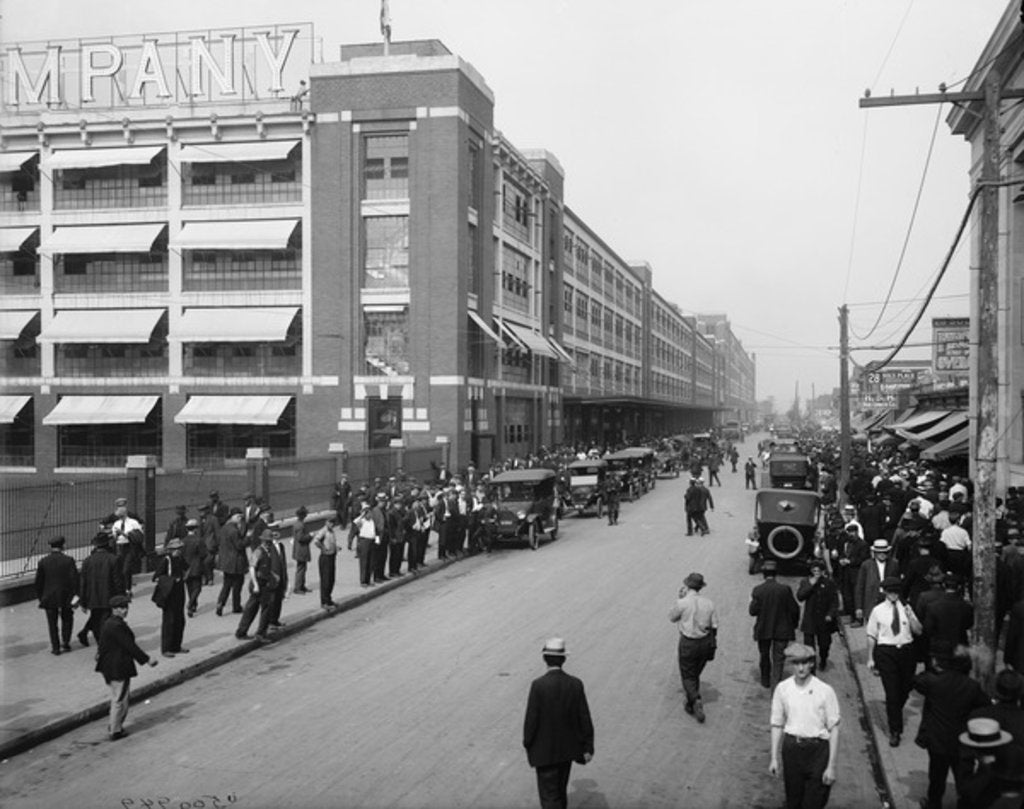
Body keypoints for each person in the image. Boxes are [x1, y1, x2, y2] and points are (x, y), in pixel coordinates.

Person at [912, 643, 991, 809]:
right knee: (963, 779)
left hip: (938, 741)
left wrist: (935, 669)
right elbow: (985, 705)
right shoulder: (971, 687)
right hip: (962, 743)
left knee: (937, 778)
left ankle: (934, 804)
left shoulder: (935, 682)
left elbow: (917, 680)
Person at [522, 638, 595, 809]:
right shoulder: (575, 684)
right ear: (564, 659)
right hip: (567, 752)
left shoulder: (538, 685)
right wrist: (588, 747)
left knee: (549, 797)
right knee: (560, 793)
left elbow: (531, 720)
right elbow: (584, 717)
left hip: (544, 753)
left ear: (544, 658)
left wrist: (528, 743)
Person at [769, 642, 840, 809]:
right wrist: (774, 757)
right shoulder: (783, 689)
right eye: (796, 663)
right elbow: (777, 724)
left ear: (811, 664)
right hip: (792, 749)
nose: (800, 668)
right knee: (793, 801)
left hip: (818, 751)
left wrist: (831, 766)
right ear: (791, 665)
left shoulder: (825, 691)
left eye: (804, 663)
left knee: (814, 802)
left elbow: (834, 729)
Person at [865, 576, 922, 746]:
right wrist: (870, 658)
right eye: (890, 591)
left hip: (906, 651)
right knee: (892, 693)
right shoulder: (878, 611)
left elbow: (918, 631)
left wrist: (911, 616)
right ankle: (895, 730)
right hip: (886, 652)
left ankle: (895, 710)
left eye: (896, 591)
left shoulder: (907, 608)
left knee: (905, 688)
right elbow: (871, 635)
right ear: (885, 592)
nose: (894, 595)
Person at [95, 594, 158, 741]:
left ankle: (114, 724)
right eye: (122, 608)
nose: (125, 610)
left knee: (118, 697)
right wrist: (147, 660)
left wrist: (99, 654)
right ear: (114, 610)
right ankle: (115, 730)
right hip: (117, 666)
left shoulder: (109, 623)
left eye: (126, 607)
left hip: (110, 666)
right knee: (120, 699)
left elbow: (103, 643)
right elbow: (130, 646)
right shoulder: (117, 626)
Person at [668, 572, 719, 723]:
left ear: (688, 586)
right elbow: (715, 625)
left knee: (688, 674)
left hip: (688, 642)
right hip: (704, 642)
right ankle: (690, 702)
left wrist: (679, 599)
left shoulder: (683, 603)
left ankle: (695, 700)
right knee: (695, 672)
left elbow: (672, 617)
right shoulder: (709, 603)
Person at [750, 559, 800, 690]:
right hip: (782, 629)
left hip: (763, 629)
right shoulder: (784, 590)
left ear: (764, 574)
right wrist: (793, 624)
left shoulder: (758, 590)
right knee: (778, 659)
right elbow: (794, 609)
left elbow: (752, 611)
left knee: (764, 655)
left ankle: (765, 680)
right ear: (776, 574)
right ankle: (776, 683)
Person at [236, 531, 285, 641]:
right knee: (252, 608)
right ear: (262, 541)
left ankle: (259, 632)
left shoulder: (268, 552)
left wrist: (274, 576)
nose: (269, 544)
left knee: (265, 608)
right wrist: (256, 584)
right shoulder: (258, 551)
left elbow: (266, 568)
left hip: (265, 582)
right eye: (267, 541)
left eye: (270, 541)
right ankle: (244, 631)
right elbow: (252, 568)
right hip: (258, 583)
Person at [78, 530, 124, 647]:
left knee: (96, 618)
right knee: (103, 621)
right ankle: (103, 645)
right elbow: (118, 581)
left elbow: (83, 582)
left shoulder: (87, 561)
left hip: (92, 597)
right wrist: (121, 598)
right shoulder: (113, 559)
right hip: (109, 596)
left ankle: (91, 637)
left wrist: (82, 601)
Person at [35, 535, 79, 655]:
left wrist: (41, 597)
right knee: (67, 619)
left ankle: (55, 647)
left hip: (48, 596)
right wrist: (76, 595)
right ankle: (65, 642)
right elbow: (74, 579)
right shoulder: (69, 560)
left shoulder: (43, 561)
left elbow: (39, 582)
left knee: (52, 623)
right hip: (65, 595)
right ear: (63, 546)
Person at [796, 559, 840, 670]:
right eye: (814, 570)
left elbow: (834, 601)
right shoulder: (806, 582)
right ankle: (811, 666)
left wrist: (830, 614)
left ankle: (823, 658)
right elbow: (800, 596)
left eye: (818, 571)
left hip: (824, 620)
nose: (816, 573)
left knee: (824, 644)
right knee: (809, 647)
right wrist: (811, 585)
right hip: (810, 619)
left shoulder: (829, 583)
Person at [153, 537, 188, 657]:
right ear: (171, 550)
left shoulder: (180, 558)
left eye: (180, 549)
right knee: (169, 621)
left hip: (179, 591)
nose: (178, 551)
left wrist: (184, 578)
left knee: (180, 620)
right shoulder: (166, 561)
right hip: (169, 593)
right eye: (176, 549)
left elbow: (187, 568)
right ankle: (166, 648)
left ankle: (176, 645)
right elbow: (157, 577)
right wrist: (172, 580)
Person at [854, 539, 899, 626]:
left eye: (884, 552)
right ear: (874, 553)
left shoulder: (894, 564)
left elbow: (898, 585)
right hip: (871, 601)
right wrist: (859, 607)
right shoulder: (866, 565)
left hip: (888, 599)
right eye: (879, 552)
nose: (882, 554)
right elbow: (860, 586)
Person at [215, 508, 248, 616]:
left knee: (226, 585)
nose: (240, 519)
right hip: (236, 562)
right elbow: (239, 545)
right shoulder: (234, 531)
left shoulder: (224, 528)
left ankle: (220, 603)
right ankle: (236, 606)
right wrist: (247, 539)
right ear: (232, 517)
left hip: (226, 562)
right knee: (237, 585)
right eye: (238, 516)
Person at [181, 518, 206, 618]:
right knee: (198, 588)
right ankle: (191, 604)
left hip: (185, 568)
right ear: (195, 529)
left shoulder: (183, 541)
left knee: (190, 588)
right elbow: (203, 554)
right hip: (196, 567)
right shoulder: (198, 540)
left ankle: (193, 605)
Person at [313, 515, 340, 606]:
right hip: (325, 558)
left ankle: (328, 599)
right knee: (326, 580)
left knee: (331, 579)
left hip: (332, 556)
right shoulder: (323, 531)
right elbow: (316, 541)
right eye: (330, 522)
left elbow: (332, 542)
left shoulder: (332, 531)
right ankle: (324, 601)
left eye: (333, 522)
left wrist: (336, 547)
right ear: (326, 522)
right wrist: (323, 548)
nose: (332, 524)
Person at [291, 506, 313, 594]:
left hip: (298, 549)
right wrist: (310, 536)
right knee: (301, 569)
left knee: (302, 568)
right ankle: (298, 587)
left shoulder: (297, 523)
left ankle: (301, 586)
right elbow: (301, 538)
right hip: (301, 549)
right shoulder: (300, 525)